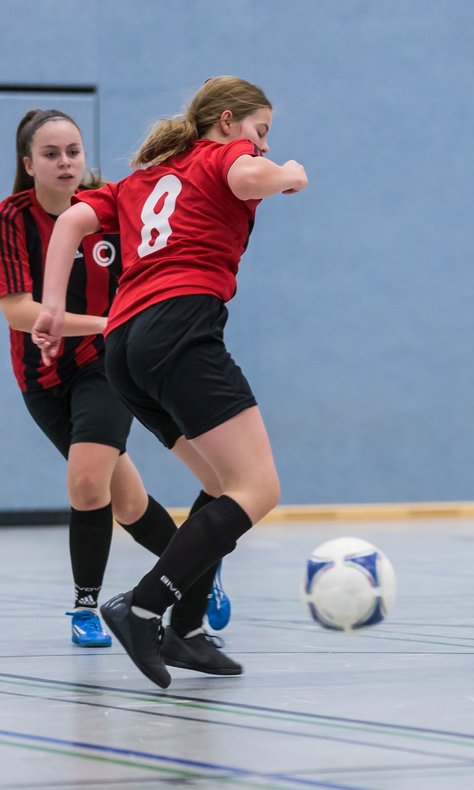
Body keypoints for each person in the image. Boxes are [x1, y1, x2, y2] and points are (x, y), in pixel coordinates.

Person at [34, 76, 307, 688]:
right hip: (180, 327)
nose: (262, 146)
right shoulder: (225, 155)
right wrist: (290, 173)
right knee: (257, 487)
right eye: (261, 132)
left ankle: (184, 630)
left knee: (218, 483)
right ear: (231, 120)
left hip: (124, 346)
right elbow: (246, 177)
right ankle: (142, 607)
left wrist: (53, 305)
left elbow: (71, 221)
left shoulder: (142, 179)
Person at [0, 109, 230, 649]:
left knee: (85, 482)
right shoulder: (12, 219)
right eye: (51, 154)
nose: (64, 163)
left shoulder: (110, 204)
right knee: (126, 503)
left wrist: (113, 327)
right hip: (40, 378)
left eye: (73, 152)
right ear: (28, 163)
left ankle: (87, 607)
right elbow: (17, 311)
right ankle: (197, 573)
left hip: (104, 367)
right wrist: (77, 322)